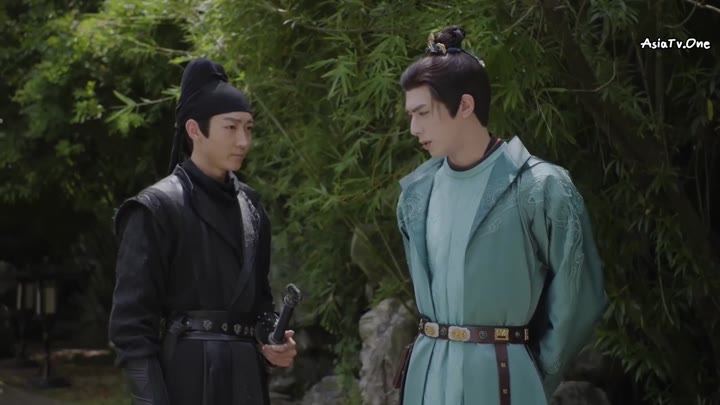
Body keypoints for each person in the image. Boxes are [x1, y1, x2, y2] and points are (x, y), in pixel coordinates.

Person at [393, 27, 608, 405]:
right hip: (427, 380)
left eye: (423, 113)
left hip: (504, 379)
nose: (414, 129)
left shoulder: (540, 187)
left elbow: (580, 297)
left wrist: (535, 373)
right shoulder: (416, 195)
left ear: (465, 106)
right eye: (411, 115)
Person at [108, 57, 297, 405]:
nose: (243, 141)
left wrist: (273, 338)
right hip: (186, 377)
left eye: (249, 128)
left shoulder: (252, 208)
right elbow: (131, 328)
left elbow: (260, 303)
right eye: (231, 128)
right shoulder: (156, 208)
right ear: (195, 129)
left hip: (246, 381)